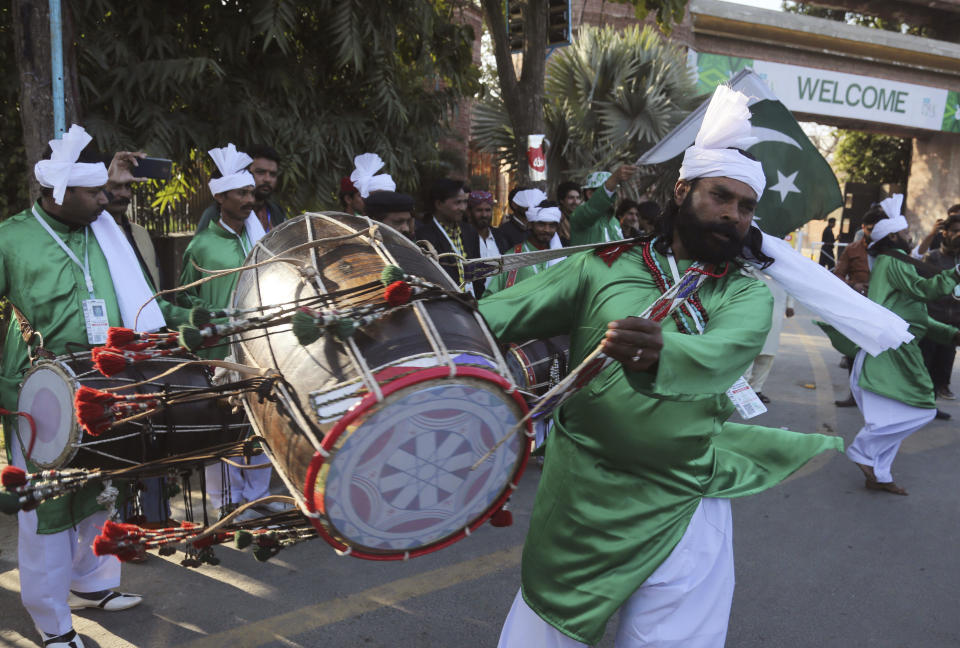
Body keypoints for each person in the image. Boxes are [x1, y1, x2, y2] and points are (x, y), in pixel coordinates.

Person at [484, 87, 843, 648]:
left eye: (746, 207)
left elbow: (729, 348)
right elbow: (498, 314)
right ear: (683, 190)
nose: (733, 215)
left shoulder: (745, 293)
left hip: (686, 498)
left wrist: (661, 352)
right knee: (541, 631)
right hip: (583, 490)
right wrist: (415, 313)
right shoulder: (600, 267)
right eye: (721, 197)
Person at [0, 125, 186, 648]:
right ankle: (52, 621)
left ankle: (93, 584)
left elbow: (146, 305)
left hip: (107, 383)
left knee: (101, 486)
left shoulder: (106, 234)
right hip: (40, 394)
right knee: (49, 506)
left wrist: (192, 320)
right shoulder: (10, 239)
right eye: (95, 191)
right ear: (58, 192)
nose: (106, 198)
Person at [178, 144, 278, 520]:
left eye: (251, 192)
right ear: (219, 197)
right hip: (220, 351)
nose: (249, 200)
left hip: (262, 346)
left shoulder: (261, 239)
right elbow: (187, 300)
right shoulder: (201, 245)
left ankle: (258, 493)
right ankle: (225, 502)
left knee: (262, 419)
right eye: (242, 193)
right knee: (223, 425)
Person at [841, 195, 960, 495]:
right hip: (890, 357)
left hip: (894, 354)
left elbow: (916, 317)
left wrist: (951, 334)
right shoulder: (893, 261)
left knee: (892, 418)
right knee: (921, 410)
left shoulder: (895, 261)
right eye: (906, 233)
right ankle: (863, 452)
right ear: (894, 235)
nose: (911, 237)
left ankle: (878, 475)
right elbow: (925, 290)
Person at [832, 208, 886, 407]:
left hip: (884, 309)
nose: (874, 234)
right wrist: (853, 285)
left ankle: (877, 397)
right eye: (871, 229)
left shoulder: (890, 251)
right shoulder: (853, 249)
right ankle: (854, 395)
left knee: (880, 354)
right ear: (863, 228)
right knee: (854, 353)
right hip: (859, 308)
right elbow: (837, 275)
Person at [414, 178, 486, 297]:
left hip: (473, 303)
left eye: (465, 202)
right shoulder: (424, 236)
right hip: (445, 304)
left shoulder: (470, 231)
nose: (463, 208)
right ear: (439, 204)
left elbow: (478, 272)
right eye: (457, 203)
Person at [196, 145, 286, 233]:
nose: (267, 179)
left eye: (273, 174)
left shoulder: (275, 211)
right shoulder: (216, 213)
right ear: (245, 173)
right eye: (260, 172)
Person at [103, 152, 161, 288]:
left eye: (128, 186)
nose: (124, 194)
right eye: (116, 186)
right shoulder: (89, 234)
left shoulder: (141, 233)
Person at [485, 196, 564, 295]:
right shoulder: (512, 257)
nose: (546, 230)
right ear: (530, 224)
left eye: (552, 226)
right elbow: (490, 295)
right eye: (541, 224)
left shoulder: (561, 258)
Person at [921, 212, 960, 400]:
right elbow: (922, 289)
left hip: (953, 327)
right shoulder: (932, 258)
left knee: (942, 370)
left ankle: (932, 406)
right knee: (924, 368)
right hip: (932, 324)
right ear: (944, 233)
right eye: (955, 231)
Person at [744, 273, 795, 404]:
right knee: (747, 353)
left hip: (776, 310)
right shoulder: (749, 263)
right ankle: (742, 392)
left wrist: (790, 304)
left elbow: (790, 280)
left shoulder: (783, 264)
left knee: (768, 354)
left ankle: (756, 390)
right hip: (751, 311)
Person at [569, 165, 638, 246]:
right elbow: (593, 208)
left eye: (613, 191)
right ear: (590, 194)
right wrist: (615, 178)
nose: (612, 196)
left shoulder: (614, 221)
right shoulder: (579, 216)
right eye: (609, 191)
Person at [467, 190, 508, 258]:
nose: (484, 215)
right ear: (469, 212)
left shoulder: (500, 236)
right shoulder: (464, 237)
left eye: (488, 210)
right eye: (479, 210)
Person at [555, 181, 581, 245]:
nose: (575, 202)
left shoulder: (582, 216)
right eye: (571, 198)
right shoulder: (557, 219)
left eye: (578, 198)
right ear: (561, 200)